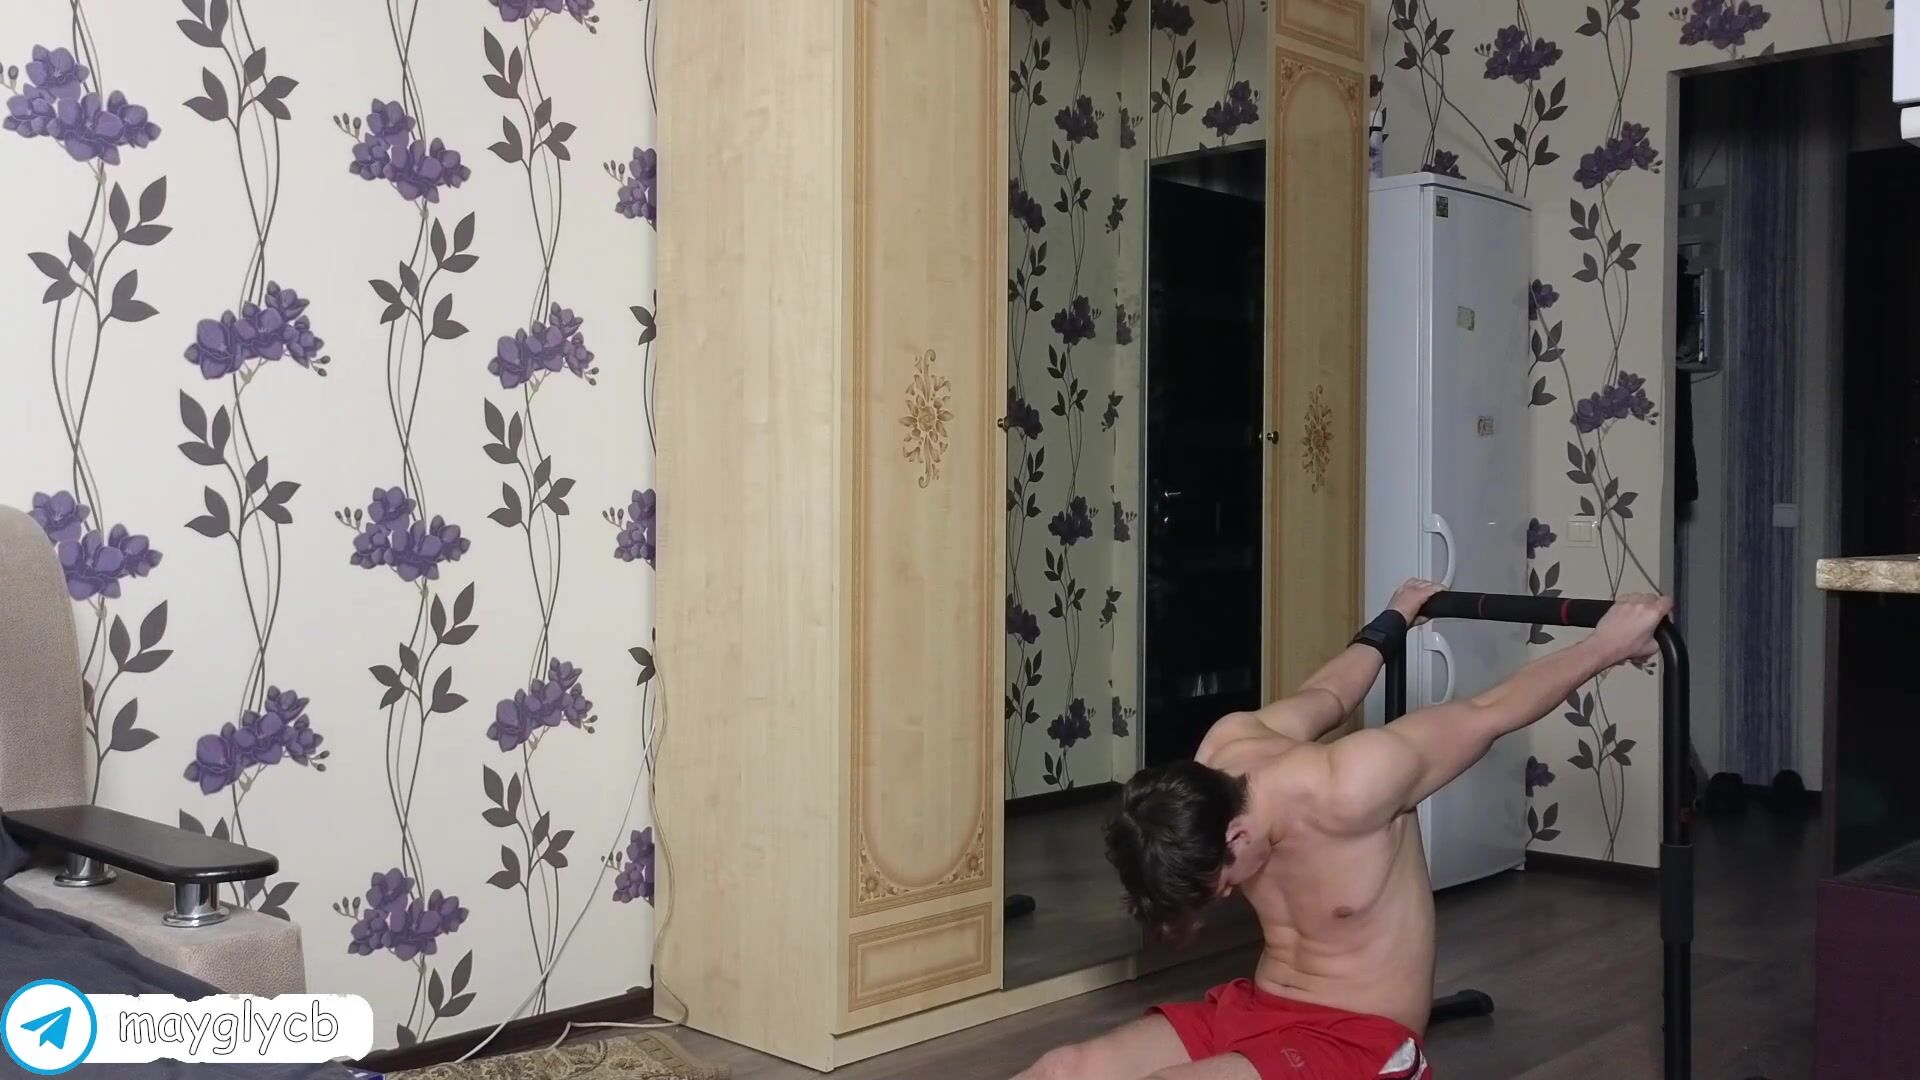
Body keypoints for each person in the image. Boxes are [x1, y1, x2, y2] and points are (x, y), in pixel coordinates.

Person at [1013, 581, 1673, 1080]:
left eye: (1219, 885)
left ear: (1236, 836)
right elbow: (1328, 695)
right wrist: (1393, 621)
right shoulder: (1225, 749)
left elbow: (1489, 711)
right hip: (1257, 1009)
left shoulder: (1356, 785)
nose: (1224, 897)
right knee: (1061, 1070)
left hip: (1358, 1039)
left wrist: (1607, 646)